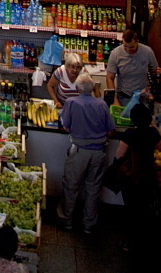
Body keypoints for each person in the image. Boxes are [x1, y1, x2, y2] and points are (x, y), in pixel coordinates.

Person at [58, 73, 115, 233]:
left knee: (71, 186)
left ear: (77, 87)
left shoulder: (70, 103)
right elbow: (111, 131)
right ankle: (89, 225)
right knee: (93, 188)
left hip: (79, 151)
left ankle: (67, 221)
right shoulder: (102, 104)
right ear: (93, 88)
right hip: (98, 152)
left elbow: (66, 126)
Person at [114, 102, 161, 254]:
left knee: (132, 210)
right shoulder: (154, 133)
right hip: (150, 176)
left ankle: (130, 242)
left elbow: (119, 156)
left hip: (133, 178)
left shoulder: (130, 134)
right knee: (145, 210)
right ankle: (146, 241)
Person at [106, 28, 158, 106]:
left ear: (137, 41)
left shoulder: (148, 52)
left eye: (131, 47)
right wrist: (115, 100)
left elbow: (155, 71)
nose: (128, 50)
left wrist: (152, 91)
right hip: (123, 97)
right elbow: (109, 78)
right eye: (125, 46)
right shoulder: (115, 54)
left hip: (143, 98)